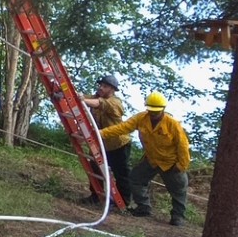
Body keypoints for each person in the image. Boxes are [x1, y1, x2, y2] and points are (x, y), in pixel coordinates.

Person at [98, 92, 192, 224]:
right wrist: (101, 133)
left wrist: (182, 165)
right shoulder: (141, 118)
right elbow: (123, 127)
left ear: (163, 109)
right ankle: (143, 207)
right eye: (151, 110)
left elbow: (183, 145)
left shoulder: (172, 124)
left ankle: (178, 216)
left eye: (156, 111)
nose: (153, 114)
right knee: (136, 179)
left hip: (170, 162)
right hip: (151, 159)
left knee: (179, 189)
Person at [81, 74, 131, 204]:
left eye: (105, 86)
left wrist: (82, 99)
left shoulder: (115, 102)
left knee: (121, 173)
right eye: (100, 85)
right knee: (94, 168)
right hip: (100, 142)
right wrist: (75, 96)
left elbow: (100, 104)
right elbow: (86, 98)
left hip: (118, 144)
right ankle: (96, 195)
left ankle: (123, 201)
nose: (101, 88)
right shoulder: (96, 98)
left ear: (112, 89)